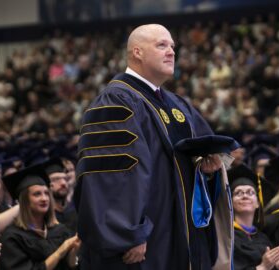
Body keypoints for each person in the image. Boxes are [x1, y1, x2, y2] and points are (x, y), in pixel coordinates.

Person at [74, 24, 232, 270]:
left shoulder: (177, 105)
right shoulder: (118, 99)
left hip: (182, 235)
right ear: (137, 52)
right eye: (161, 45)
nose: (171, 52)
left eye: (172, 46)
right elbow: (112, 176)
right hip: (146, 243)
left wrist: (207, 171)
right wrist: (129, 233)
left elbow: (198, 160)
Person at [0, 164, 80, 270]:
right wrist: (60, 252)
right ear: (25, 201)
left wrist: (74, 252)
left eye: (46, 193)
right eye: (37, 194)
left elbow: (71, 266)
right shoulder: (12, 237)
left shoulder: (60, 230)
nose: (44, 198)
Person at [228, 164, 279, 270]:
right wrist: (263, 267)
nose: (245, 196)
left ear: (257, 203)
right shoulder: (226, 237)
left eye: (250, 192)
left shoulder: (263, 238)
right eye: (238, 193)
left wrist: (276, 265)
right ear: (230, 202)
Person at [41, 158, 77, 233]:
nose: (63, 183)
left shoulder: (76, 213)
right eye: (56, 179)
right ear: (46, 184)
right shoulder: (42, 219)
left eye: (65, 179)